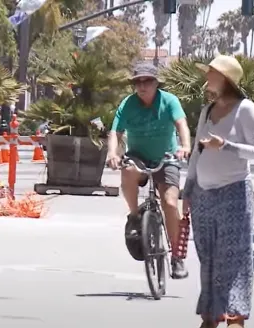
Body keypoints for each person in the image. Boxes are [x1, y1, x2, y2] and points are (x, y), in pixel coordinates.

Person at [182, 55, 254, 328]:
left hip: (234, 193)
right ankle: (211, 314)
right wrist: (188, 189)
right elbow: (196, 151)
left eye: (212, 74)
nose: (207, 78)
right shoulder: (207, 110)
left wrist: (225, 145)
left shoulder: (246, 109)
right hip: (203, 194)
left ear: (226, 79)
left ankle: (234, 315)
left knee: (234, 258)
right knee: (208, 256)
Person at [106, 62, 192, 279]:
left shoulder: (169, 101)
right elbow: (115, 132)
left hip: (167, 156)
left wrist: (185, 146)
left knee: (171, 203)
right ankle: (134, 216)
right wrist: (113, 154)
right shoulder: (128, 104)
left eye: (147, 81)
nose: (142, 86)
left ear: (156, 83)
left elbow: (182, 124)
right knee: (127, 170)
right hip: (139, 156)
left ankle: (177, 257)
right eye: (138, 82)